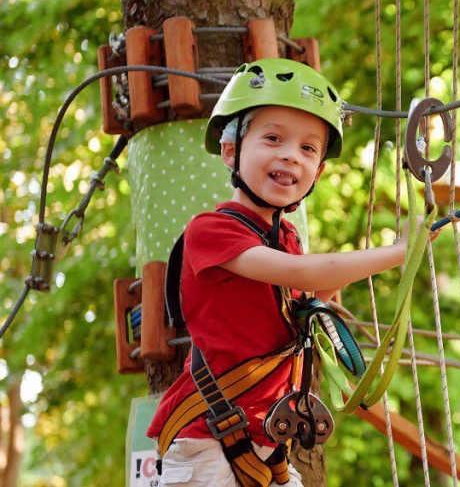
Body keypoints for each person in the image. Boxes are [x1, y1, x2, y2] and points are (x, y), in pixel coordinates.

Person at [146, 58, 432, 486]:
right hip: (206, 440)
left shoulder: (288, 239)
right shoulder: (210, 231)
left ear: (317, 171)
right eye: (273, 138)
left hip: (262, 439)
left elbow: (317, 293)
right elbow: (306, 275)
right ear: (230, 150)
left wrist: (414, 236)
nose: (290, 156)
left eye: (307, 148)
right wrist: (399, 252)